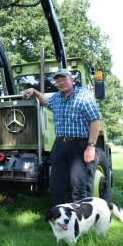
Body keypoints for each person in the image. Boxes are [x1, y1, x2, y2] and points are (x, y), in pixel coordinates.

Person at [22, 69, 100, 205]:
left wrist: (91, 146)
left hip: (79, 145)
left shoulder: (83, 95)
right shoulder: (57, 98)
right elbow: (45, 101)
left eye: (64, 79)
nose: (61, 82)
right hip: (60, 145)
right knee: (56, 184)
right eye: (58, 81)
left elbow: (94, 120)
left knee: (78, 185)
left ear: (71, 80)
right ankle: (60, 217)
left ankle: (79, 220)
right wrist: (33, 91)